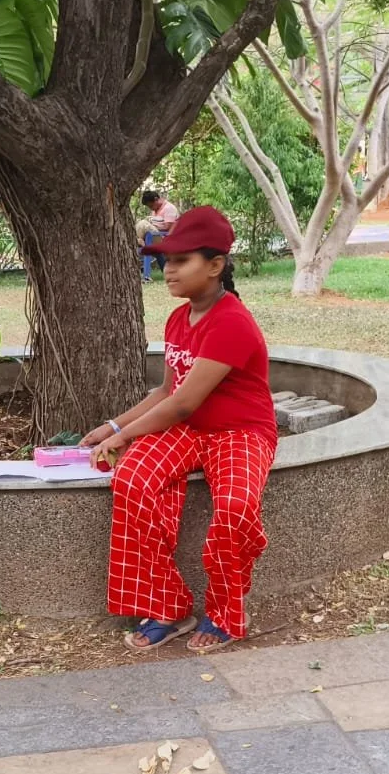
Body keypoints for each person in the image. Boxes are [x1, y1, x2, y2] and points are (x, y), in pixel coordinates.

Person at [84, 206, 276, 653]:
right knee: (133, 480)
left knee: (235, 505)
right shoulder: (178, 318)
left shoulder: (232, 321)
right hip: (190, 429)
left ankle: (228, 612)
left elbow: (184, 403)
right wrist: (113, 425)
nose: (168, 270)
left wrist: (123, 437)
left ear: (215, 266)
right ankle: (168, 608)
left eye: (180, 261)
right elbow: (168, 391)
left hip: (240, 432)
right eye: (165, 261)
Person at [136, 189, 180, 281]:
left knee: (143, 223)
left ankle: (138, 240)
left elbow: (169, 227)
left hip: (166, 237)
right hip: (154, 236)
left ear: (156, 199)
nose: (151, 208)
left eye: (151, 205)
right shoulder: (155, 210)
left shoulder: (169, 208)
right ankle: (139, 240)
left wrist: (152, 224)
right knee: (143, 223)